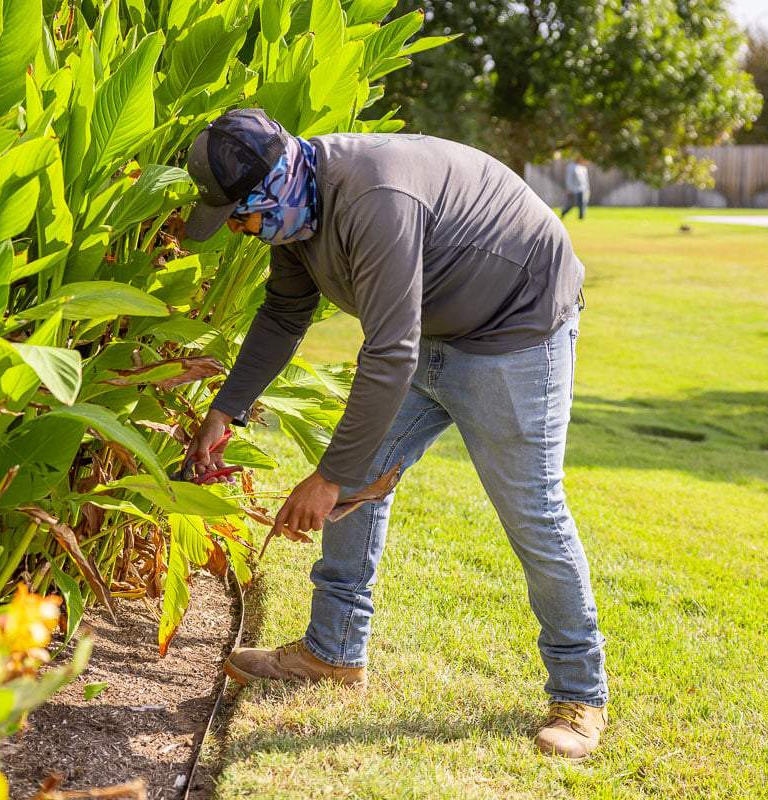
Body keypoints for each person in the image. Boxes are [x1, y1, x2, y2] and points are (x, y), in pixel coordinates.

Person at [182, 109, 607, 761]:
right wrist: (227, 409)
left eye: (240, 214)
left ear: (273, 186)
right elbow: (286, 311)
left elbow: (390, 353)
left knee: (533, 513)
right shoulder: (297, 207)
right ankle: (333, 652)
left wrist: (326, 479)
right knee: (356, 477)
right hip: (435, 328)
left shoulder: (374, 196)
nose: (238, 230)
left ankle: (581, 695)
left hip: (516, 327)